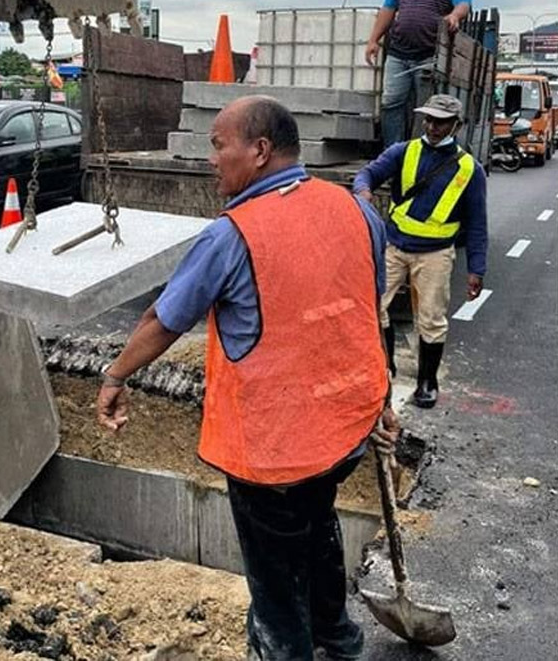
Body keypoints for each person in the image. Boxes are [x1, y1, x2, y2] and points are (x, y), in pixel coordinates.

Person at [96, 96, 399, 661]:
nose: (212, 159)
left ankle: (290, 649)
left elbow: (163, 319)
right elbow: (366, 313)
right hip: (344, 431)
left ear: (259, 151)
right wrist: (381, 395)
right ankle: (339, 635)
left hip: (274, 449)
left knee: (274, 578)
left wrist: (115, 376)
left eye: (218, 145)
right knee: (314, 523)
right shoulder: (357, 211)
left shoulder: (232, 234)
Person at [353, 93, 487, 409]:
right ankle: (387, 367)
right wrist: (363, 191)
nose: (433, 126)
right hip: (394, 245)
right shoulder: (405, 151)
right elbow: (368, 173)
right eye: (429, 119)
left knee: (431, 318)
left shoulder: (469, 170)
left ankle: (427, 381)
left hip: (437, 254)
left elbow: (478, 223)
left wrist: (476, 269)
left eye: (441, 122)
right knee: (374, 305)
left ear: (457, 125)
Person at [365, 0, 472, 148]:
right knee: (391, 102)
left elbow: (463, 2)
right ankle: (392, 151)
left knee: (425, 108)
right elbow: (388, 8)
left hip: (430, 54)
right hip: (398, 52)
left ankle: (419, 151)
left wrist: (454, 16)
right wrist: (373, 40)